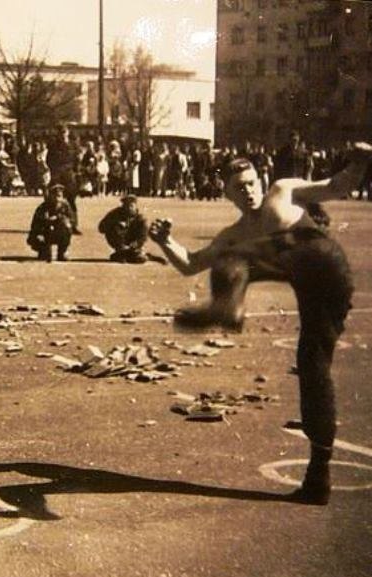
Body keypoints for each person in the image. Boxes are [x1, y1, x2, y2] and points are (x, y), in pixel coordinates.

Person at [148, 144, 372, 505]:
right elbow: (190, 263)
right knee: (312, 367)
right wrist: (165, 241)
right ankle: (319, 477)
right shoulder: (234, 233)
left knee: (236, 257)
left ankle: (228, 306)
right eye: (240, 187)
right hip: (306, 284)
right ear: (226, 193)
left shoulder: (283, 191)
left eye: (252, 182)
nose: (249, 191)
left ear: (262, 180)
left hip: (326, 264)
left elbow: (336, 187)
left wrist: (360, 161)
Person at [27, 183, 74, 262]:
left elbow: (72, 221)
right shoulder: (43, 207)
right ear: (50, 196)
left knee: (67, 227)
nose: (57, 198)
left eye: (59, 196)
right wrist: (40, 233)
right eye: (55, 195)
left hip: (58, 232)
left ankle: (62, 252)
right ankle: (43, 250)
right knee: (43, 247)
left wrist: (59, 218)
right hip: (43, 232)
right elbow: (36, 224)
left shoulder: (66, 206)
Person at [98, 194, 149, 264]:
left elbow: (143, 236)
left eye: (131, 206)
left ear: (135, 206)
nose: (129, 208)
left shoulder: (140, 219)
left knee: (141, 259)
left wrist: (136, 244)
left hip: (133, 244)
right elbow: (101, 228)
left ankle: (131, 254)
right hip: (118, 242)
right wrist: (114, 222)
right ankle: (121, 252)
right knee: (116, 227)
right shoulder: (114, 214)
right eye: (126, 205)